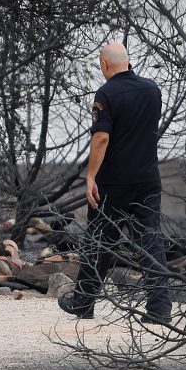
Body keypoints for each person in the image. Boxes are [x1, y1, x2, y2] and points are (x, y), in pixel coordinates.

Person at [57, 42, 171, 323]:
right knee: (150, 242)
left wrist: (91, 176)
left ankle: (83, 302)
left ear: (105, 65)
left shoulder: (106, 93)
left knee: (99, 242)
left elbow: (101, 137)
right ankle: (159, 308)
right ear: (128, 62)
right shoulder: (152, 89)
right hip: (147, 180)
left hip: (113, 184)